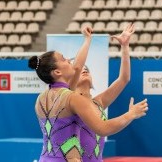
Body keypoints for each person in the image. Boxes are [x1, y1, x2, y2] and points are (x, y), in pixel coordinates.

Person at [28, 26, 148, 162]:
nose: (69, 60)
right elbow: (103, 128)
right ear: (57, 72)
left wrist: (88, 40)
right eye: (63, 59)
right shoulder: (72, 98)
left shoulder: (41, 99)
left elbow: (79, 67)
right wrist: (130, 114)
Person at [75, 23, 135, 161]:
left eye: (87, 70)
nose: (84, 70)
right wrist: (87, 39)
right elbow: (103, 128)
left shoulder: (98, 102)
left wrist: (125, 47)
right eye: (81, 70)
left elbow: (123, 79)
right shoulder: (70, 102)